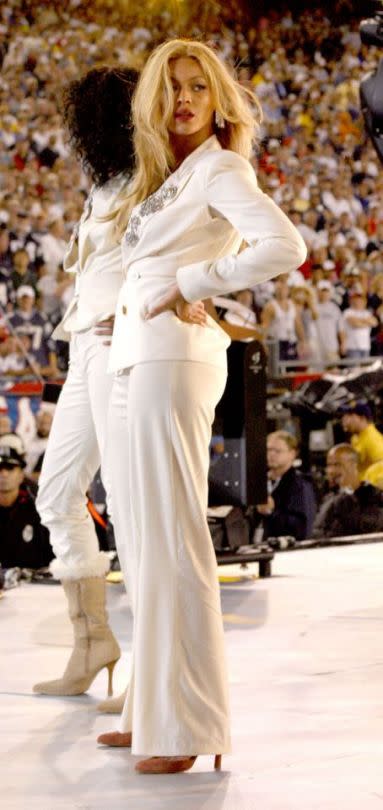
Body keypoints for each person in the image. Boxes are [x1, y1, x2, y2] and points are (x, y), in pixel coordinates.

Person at [98, 39, 306, 774]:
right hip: (133, 353)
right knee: (144, 545)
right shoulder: (168, 177)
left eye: (198, 86)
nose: (184, 99)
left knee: (174, 539)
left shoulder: (220, 166)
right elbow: (142, 268)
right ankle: (153, 707)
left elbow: (285, 245)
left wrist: (194, 282)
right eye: (171, 87)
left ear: (217, 99)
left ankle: (187, 726)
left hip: (171, 361)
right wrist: (124, 309)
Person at [34, 65, 204, 704]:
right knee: (56, 495)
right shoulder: (106, 183)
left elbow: (200, 238)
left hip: (123, 344)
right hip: (85, 345)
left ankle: (151, 675)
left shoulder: (159, 176)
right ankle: (93, 642)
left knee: (130, 507)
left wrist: (180, 293)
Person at [0, 435, 54, 570]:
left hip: (30, 588)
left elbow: (50, 560)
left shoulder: (38, 512)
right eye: (0, 468)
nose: (4, 474)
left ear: (21, 475)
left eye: (10, 468)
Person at [256, 430, 316, 541]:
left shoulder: (300, 484)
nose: (271, 454)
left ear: (292, 454)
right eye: (268, 450)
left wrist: (271, 511)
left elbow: (302, 527)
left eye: (277, 451)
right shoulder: (259, 480)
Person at [312, 443, 383, 537]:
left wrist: (345, 497)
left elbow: (367, 530)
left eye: (337, 465)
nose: (331, 471)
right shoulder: (327, 498)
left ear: (354, 466)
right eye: (329, 465)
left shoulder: (372, 497)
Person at [340, 402, 383, 478]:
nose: (345, 419)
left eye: (350, 415)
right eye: (345, 415)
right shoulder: (355, 438)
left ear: (362, 418)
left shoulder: (373, 440)